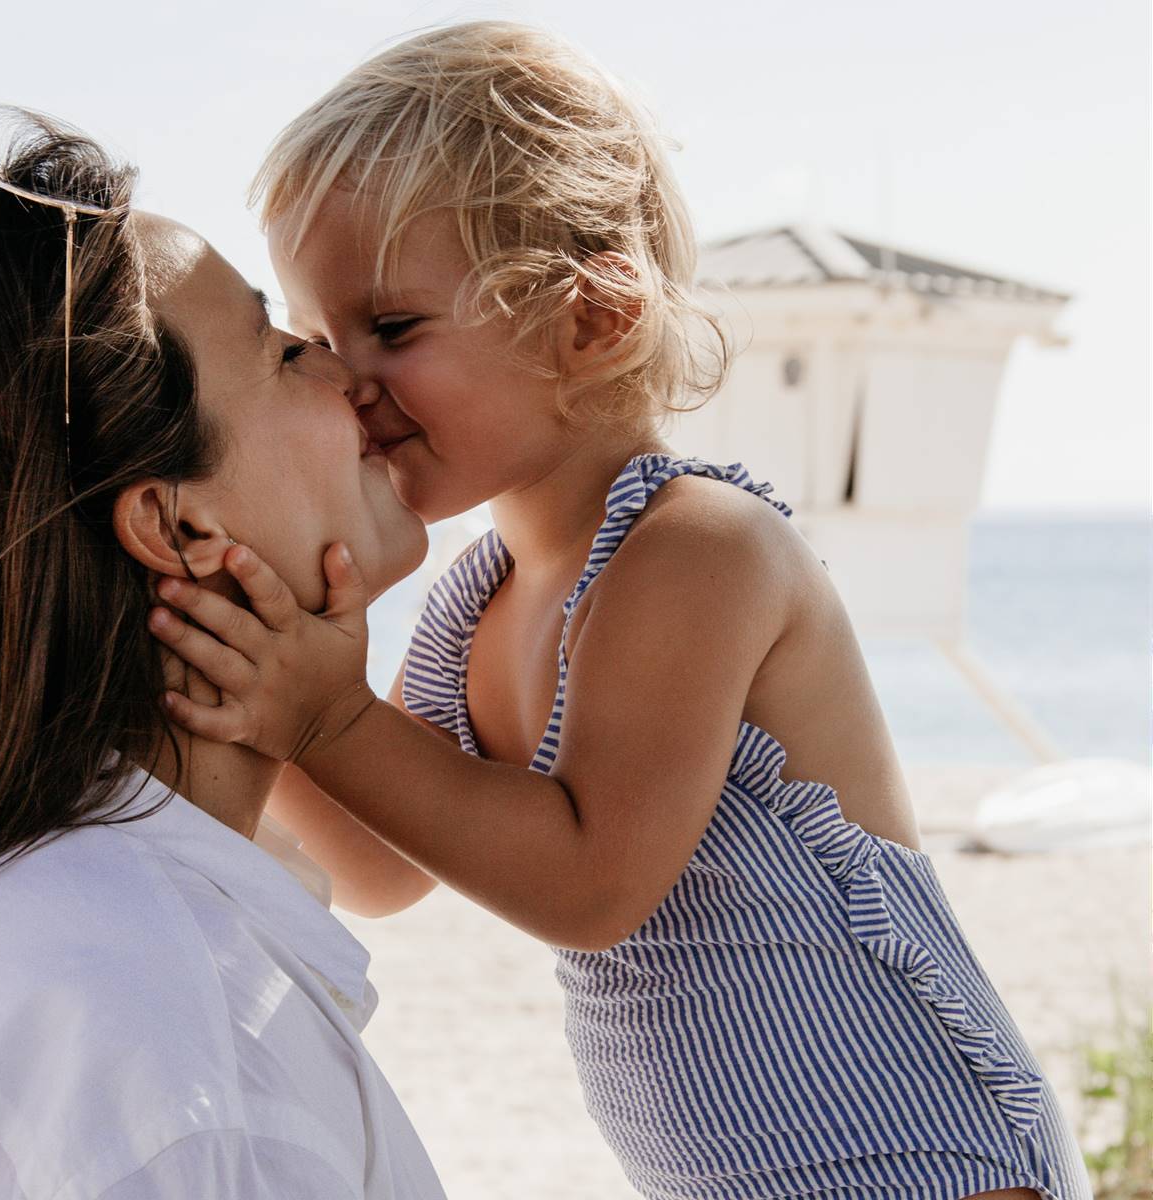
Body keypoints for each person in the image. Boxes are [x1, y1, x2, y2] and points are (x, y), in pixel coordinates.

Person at [149, 22, 1092, 1200]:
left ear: (592, 321)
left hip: (909, 1143)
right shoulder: (476, 601)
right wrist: (261, 686)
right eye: (321, 337)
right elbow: (389, 870)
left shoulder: (695, 549)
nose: (349, 380)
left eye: (392, 329)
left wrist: (327, 715)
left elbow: (592, 887)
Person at [0, 115, 445, 1200]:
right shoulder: (191, 1064)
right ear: (176, 529)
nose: (344, 368)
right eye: (281, 351)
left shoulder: (36, 928)